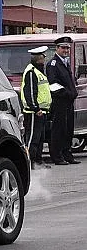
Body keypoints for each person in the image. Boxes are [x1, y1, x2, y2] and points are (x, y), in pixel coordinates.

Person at [45, 35, 80, 165]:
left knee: (68, 129)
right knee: (58, 130)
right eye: (64, 48)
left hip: (68, 102)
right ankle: (57, 156)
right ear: (57, 48)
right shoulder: (53, 64)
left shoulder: (65, 63)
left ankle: (67, 154)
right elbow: (53, 84)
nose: (66, 50)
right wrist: (67, 93)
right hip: (59, 102)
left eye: (68, 48)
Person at [20, 46, 52, 169]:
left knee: (40, 138)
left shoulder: (38, 71)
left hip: (42, 111)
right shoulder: (31, 72)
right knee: (32, 137)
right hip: (34, 112)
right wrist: (35, 108)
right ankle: (29, 161)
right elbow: (30, 92)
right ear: (39, 58)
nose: (45, 58)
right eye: (43, 56)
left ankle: (38, 160)